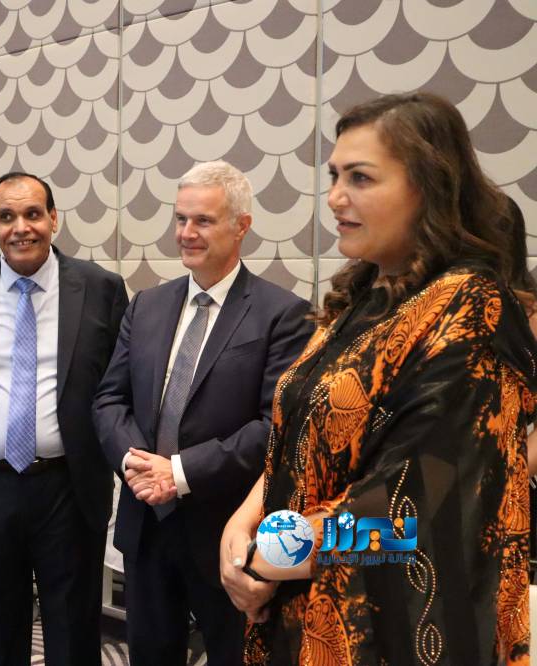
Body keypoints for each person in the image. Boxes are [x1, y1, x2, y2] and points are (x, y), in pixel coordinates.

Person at [220, 92, 537, 665]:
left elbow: (406, 511)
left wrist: (266, 559)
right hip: (299, 599)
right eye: (334, 175)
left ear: (429, 188)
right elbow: (298, 440)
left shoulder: (470, 307)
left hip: (392, 625)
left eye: (361, 178)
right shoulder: (366, 293)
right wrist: (240, 526)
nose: (335, 197)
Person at [92, 161, 313, 665]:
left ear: (241, 226)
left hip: (227, 530)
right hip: (147, 524)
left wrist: (178, 473)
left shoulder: (282, 314)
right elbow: (108, 400)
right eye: (180, 219)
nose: (186, 233)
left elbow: (275, 428)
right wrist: (137, 466)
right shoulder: (146, 305)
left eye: (203, 221)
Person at [0, 172, 128, 665]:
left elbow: (114, 383)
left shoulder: (101, 287)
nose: (21, 227)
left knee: (74, 629)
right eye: (7, 216)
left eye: (33, 214)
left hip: (69, 487)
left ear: (53, 219)